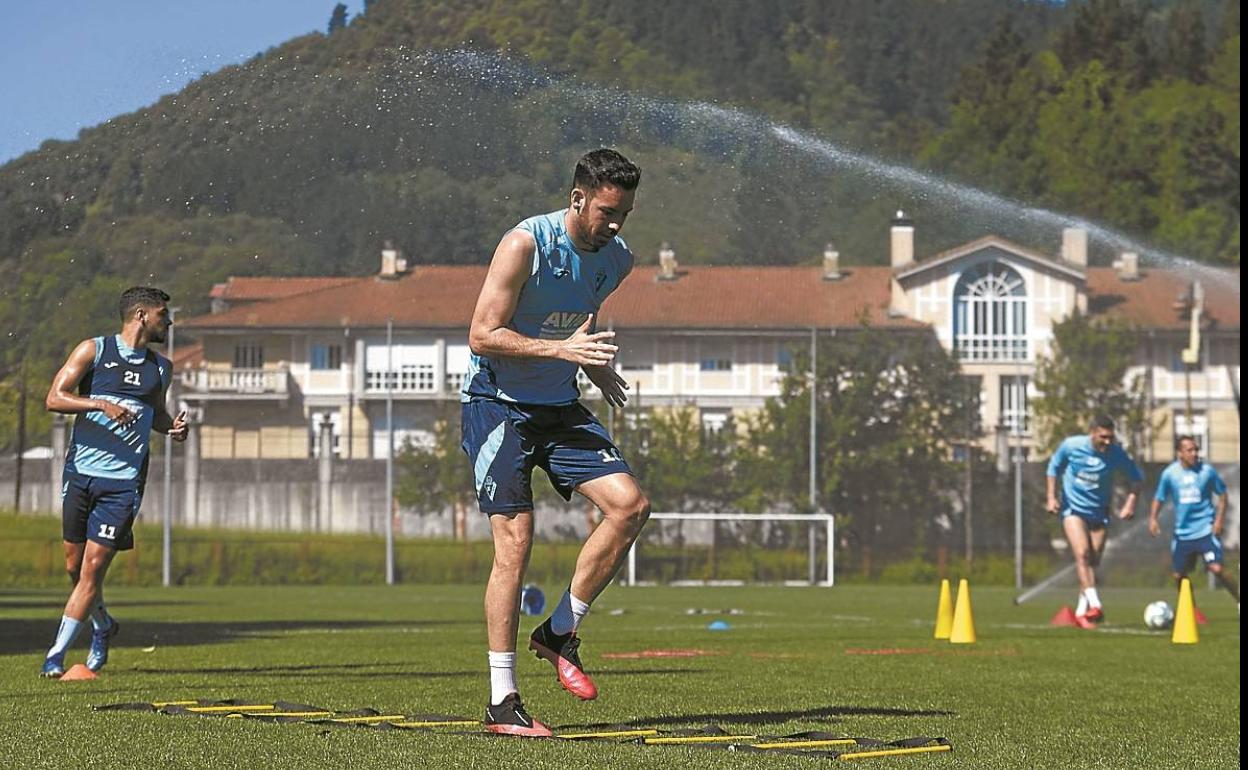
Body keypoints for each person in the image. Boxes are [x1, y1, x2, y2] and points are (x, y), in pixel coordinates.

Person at [461, 148, 649, 736]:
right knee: (515, 544)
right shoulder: (525, 244)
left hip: (559, 405)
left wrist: (589, 361)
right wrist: (563, 351)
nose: (615, 225)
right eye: (607, 212)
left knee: (630, 507)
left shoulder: (617, 259)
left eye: (624, 214)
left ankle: (560, 629)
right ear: (577, 198)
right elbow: (481, 334)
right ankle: (502, 701)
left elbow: (580, 314)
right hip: (497, 405)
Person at [40, 286, 187, 677]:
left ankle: (55, 656)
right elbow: (54, 398)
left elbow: (156, 415)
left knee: (93, 568)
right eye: (163, 315)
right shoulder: (93, 350)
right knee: (74, 567)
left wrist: (172, 428)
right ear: (141, 315)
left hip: (123, 483)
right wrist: (100, 403)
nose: (169, 322)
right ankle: (103, 623)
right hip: (80, 474)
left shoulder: (161, 368)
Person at [1046, 416, 1144, 629]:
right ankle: (1096, 604)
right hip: (1073, 510)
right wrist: (1051, 497)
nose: (1107, 442)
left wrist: (1130, 504)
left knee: (1093, 561)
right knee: (1082, 554)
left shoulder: (1116, 453)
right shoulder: (1072, 446)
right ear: (1092, 432)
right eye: (1103, 437)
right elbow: (1053, 468)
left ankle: (1081, 612)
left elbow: (1137, 478)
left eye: (1110, 437)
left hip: (1099, 512)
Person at [1149, 435, 1238, 611]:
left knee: (1217, 568)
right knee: (1179, 575)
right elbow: (1159, 497)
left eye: (1196, 449)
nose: (1195, 453)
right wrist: (1153, 518)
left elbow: (1222, 495)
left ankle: (1239, 599)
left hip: (1206, 530)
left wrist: (1219, 520)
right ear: (1179, 453)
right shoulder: (1170, 474)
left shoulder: (1207, 471)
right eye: (1190, 450)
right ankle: (1192, 610)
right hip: (1182, 534)